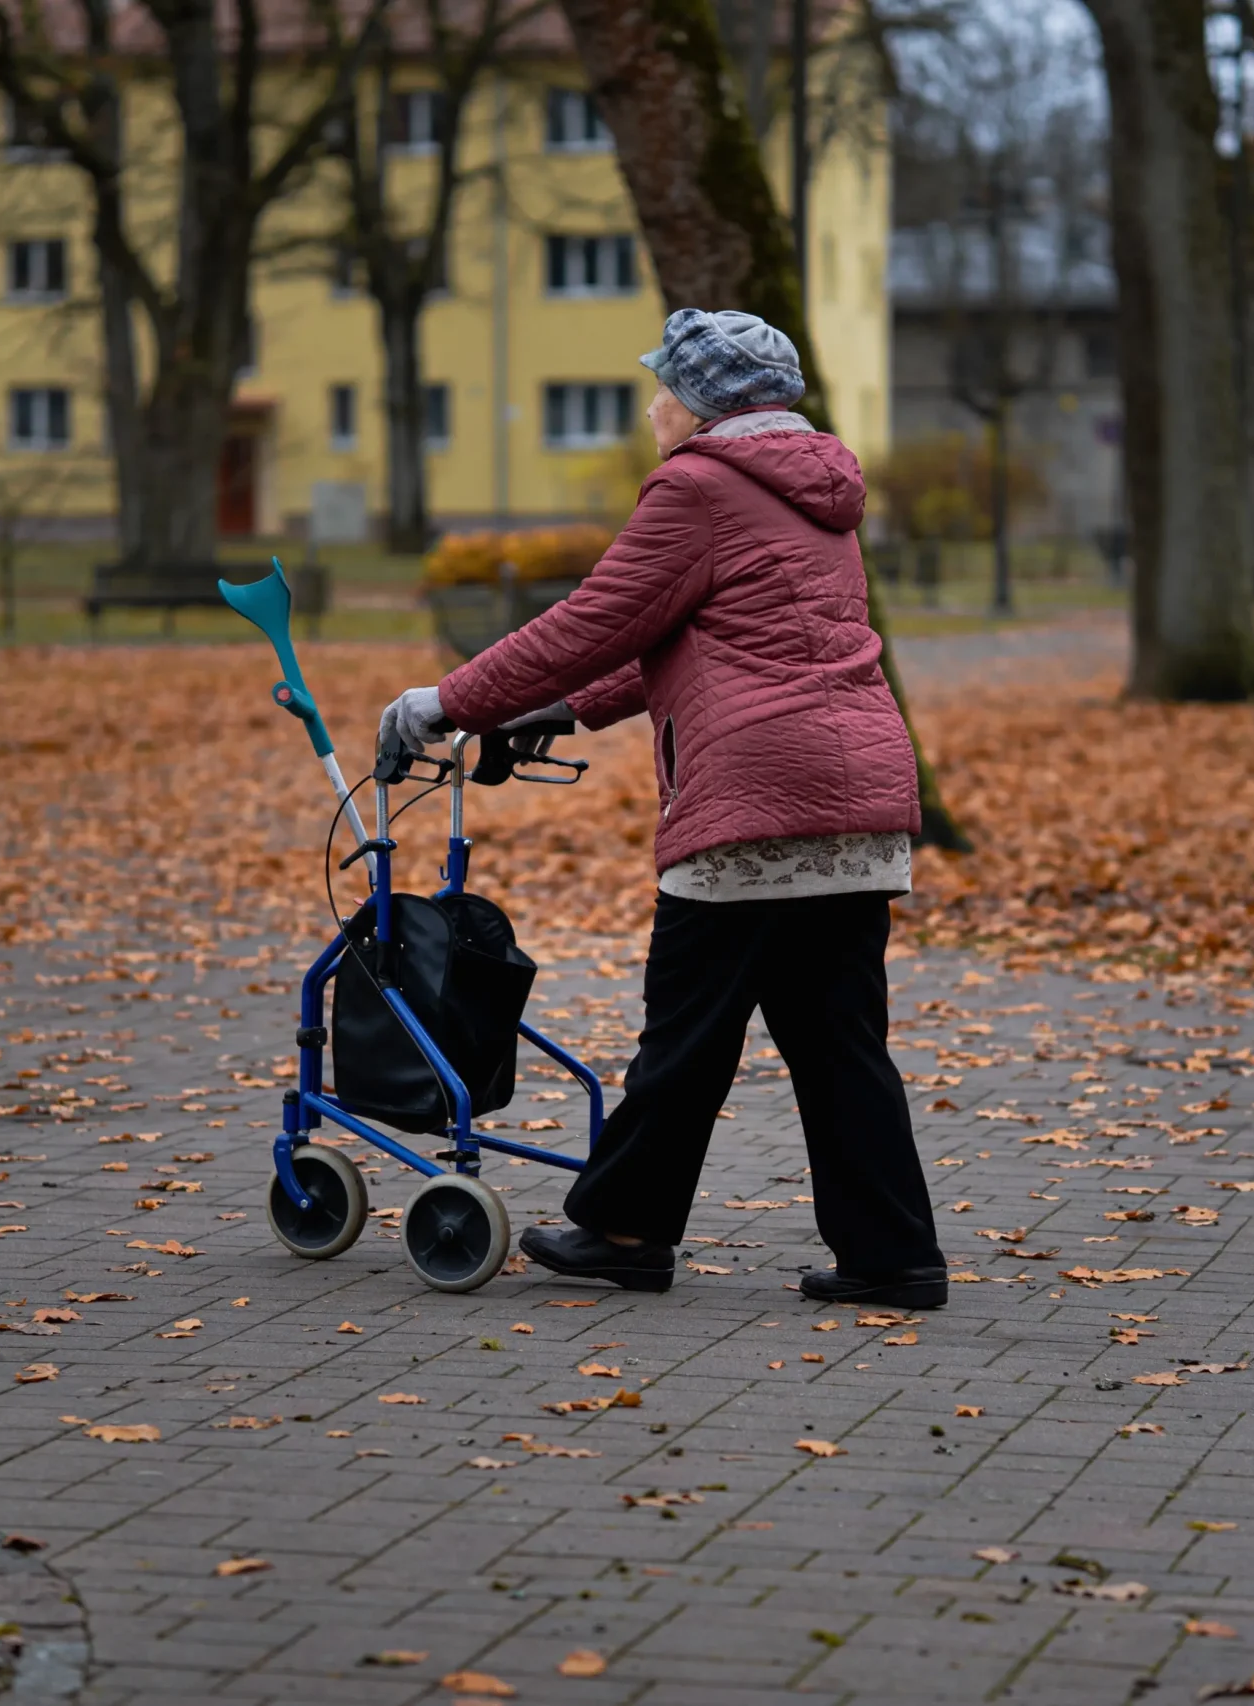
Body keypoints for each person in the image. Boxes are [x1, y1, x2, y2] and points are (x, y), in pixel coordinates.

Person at [377, 308, 947, 1309]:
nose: (651, 408)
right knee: (839, 1040)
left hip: (753, 800)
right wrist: (564, 709)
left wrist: (448, 701)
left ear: (699, 404)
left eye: (661, 390)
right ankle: (893, 1256)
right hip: (853, 797)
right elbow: (701, 635)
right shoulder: (816, 488)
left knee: (686, 1033)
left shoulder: (697, 486)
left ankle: (626, 1229)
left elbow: (593, 620)